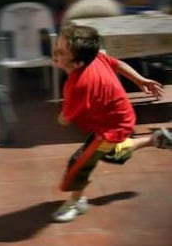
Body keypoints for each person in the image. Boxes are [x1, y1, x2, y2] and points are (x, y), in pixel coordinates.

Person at [51, 23, 172, 223]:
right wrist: (140, 80)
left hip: (110, 127)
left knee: (79, 164)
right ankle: (156, 139)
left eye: (61, 51)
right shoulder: (96, 56)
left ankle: (75, 203)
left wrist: (61, 117)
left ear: (78, 63)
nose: (55, 52)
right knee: (114, 152)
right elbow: (117, 64)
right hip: (120, 116)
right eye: (57, 45)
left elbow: (65, 119)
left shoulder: (78, 86)